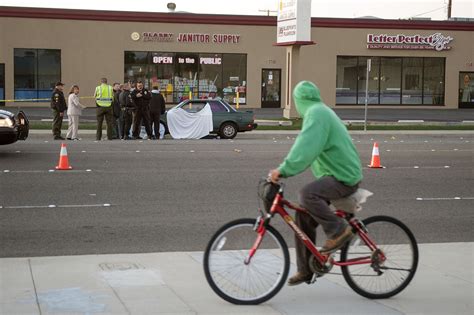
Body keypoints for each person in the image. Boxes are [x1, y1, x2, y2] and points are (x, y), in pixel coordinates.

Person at [268, 81, 363, 286]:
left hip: (343, 176)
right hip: (336, 174)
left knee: (307, 194)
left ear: (299, 100)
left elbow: (305, 148)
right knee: (302, 216)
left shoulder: (316, 114)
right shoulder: (320, 110)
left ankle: (338, 231)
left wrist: (283, 170)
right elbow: (310, 148)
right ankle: (305, 270)